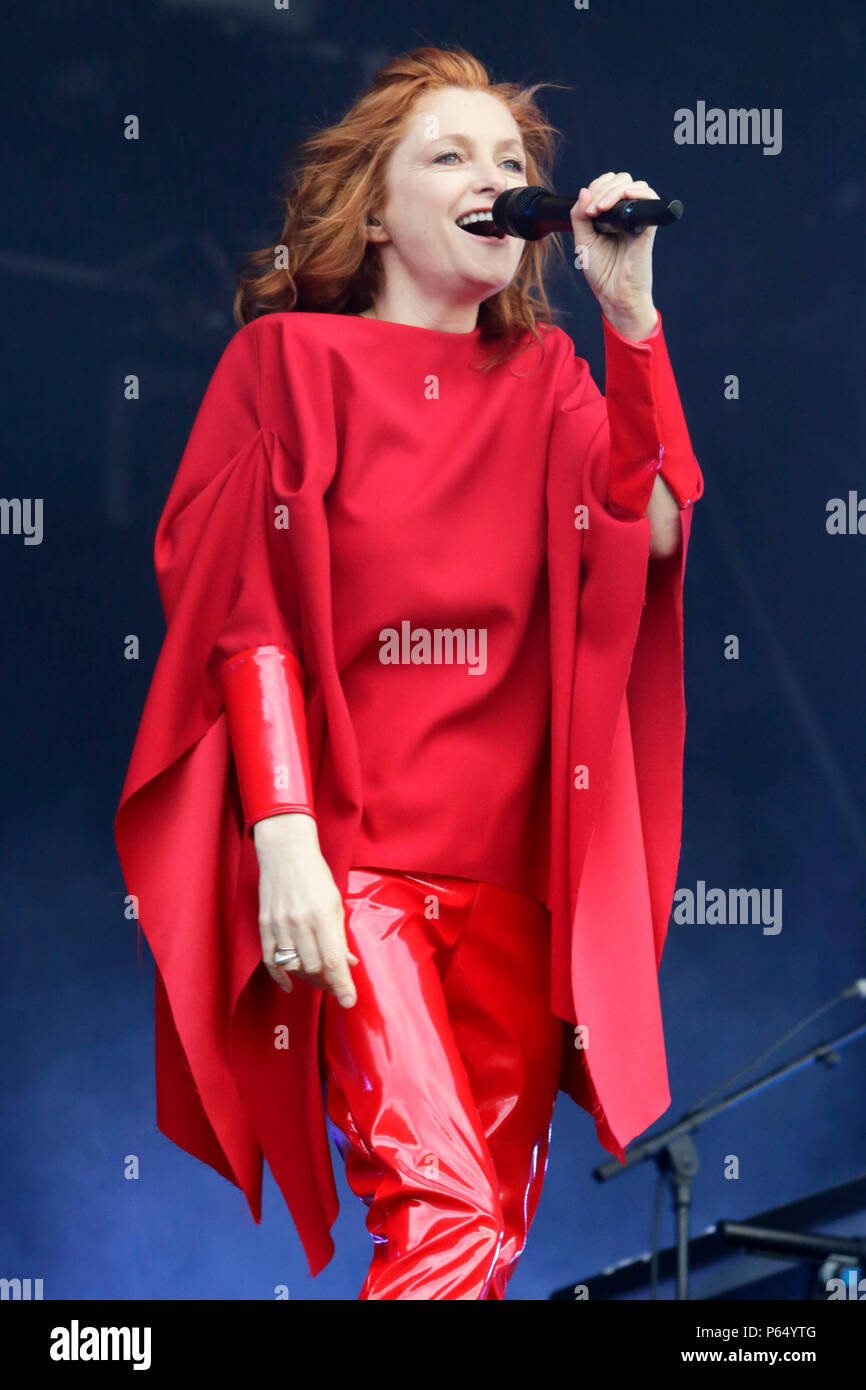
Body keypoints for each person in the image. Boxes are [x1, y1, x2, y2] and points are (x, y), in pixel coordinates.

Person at [114, 45, 704, 1300]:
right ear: (375, 212)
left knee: (481, 1232)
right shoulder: (287, 366)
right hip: (357, 865)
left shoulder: (546, 378)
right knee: (438, 1200)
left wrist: (631, 324)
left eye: (510, 162)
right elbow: (243, 614)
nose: (493, 177)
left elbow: (647, 525)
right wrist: (281, 834)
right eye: (451, 155)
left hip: (511, 892)